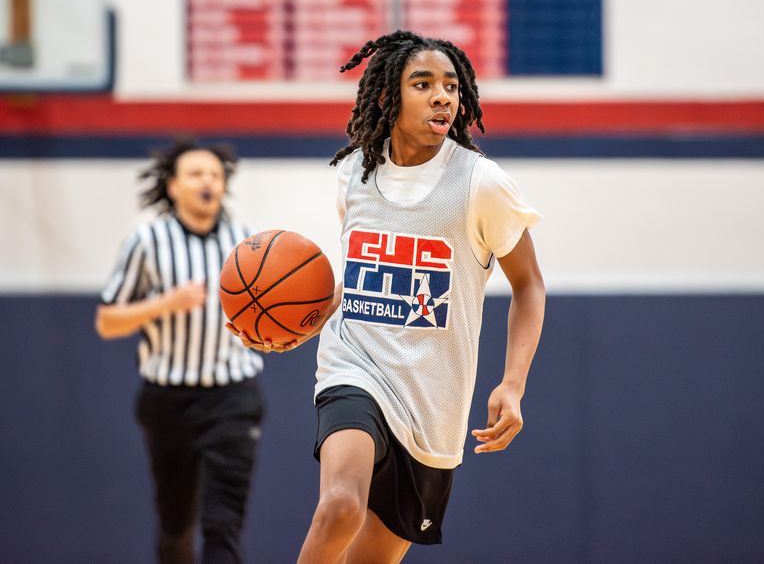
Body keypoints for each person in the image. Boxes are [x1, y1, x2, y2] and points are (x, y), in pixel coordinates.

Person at [233, 30, 546, 562]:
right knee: (339, 506)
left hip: (432, 402)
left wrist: (513, 384)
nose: (442, 96)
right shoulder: (356, 171)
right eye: (422, 83)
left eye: (450, 85)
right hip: (354, 366)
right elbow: (360, 279)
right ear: (387, 97)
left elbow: (529, 285)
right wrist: (301, 323)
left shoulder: (481, 184)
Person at [95, 138, 265, 564]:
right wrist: (164, 303)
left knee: (223, 522)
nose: (207, 180)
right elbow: (106, 321)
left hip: (233, 395)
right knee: (175, 526)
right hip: (168, 397)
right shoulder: (147, 241)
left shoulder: (249, 244)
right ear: (173, 186)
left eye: (214, 173)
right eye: (195, 173)